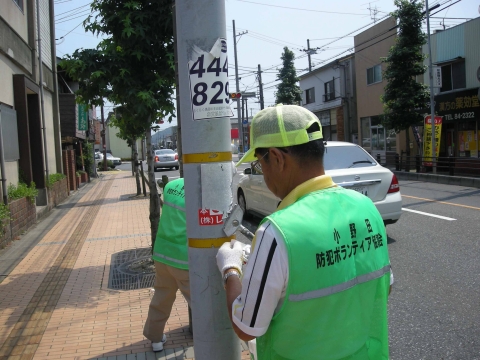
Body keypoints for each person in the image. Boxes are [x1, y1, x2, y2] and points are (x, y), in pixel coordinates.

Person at [216, 104, 392, 359]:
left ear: (276, 158)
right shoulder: (367, 209)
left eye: (260, 163)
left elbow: (246, 327)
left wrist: (230, 269)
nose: (262, 173)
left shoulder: (276, 232)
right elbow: (383, 287)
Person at [143, 178, 190, 352]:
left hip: (162, 252)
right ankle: (210, 338)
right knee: (202, 304)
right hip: (183, 257)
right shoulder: (202, 192)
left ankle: (155, 339)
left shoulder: (171, 185)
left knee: (161, 298)